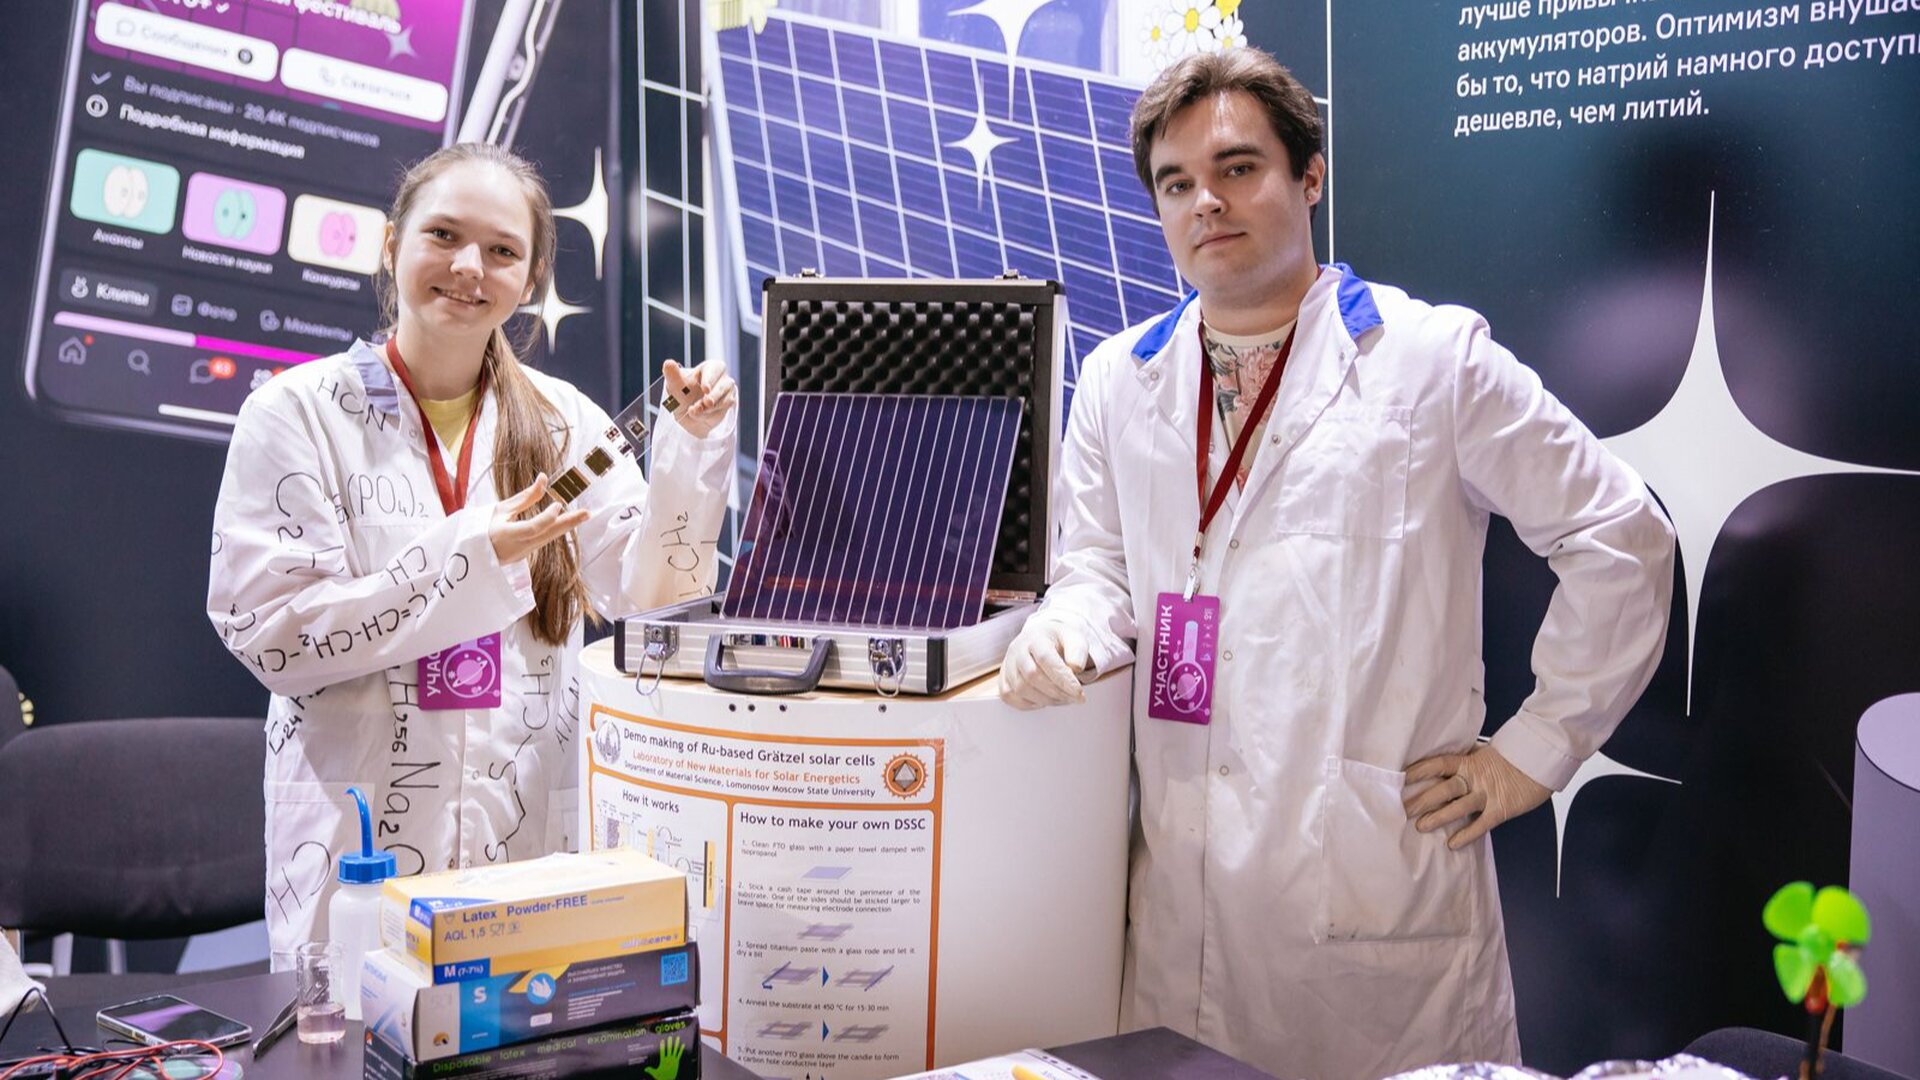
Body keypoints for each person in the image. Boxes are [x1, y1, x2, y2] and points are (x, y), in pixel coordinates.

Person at [998, 48, 1676, 1079]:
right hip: (1180, 902)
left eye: (1237, 168)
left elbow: (1621, 534)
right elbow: (1097, 566)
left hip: (1374, 911)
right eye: (1177, 184)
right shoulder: (1117, 380)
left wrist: (1534, 751)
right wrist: (1063, 626)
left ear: (1308, 177)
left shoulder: (1431, 362)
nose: (1206, 202)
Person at [207, 143, 737, 961]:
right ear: (393, 245)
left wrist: (687, 454)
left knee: (518, 1020)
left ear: (530, 279)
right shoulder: (295, 414)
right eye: (444, 235)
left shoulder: (566, 424)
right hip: (360, 846)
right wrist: (471, 559)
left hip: (523, 840)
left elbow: (652, 605)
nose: (468, 268)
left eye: (501, 251)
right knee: (359, 1020)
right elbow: (273, 635)